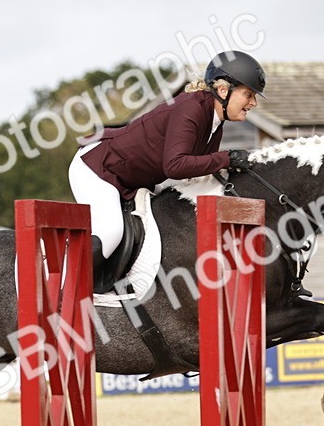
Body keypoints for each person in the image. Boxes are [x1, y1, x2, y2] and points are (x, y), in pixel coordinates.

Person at [69, 50, 265, 291]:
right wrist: (226, 158)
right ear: (224, 91)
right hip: (98, 169)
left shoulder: (215, 123)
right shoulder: (191, 109)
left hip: (134, 179)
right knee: (111, 232)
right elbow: (175, 165)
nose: (253, 103)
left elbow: (200, 169)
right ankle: (63, 293)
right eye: (248, 94)